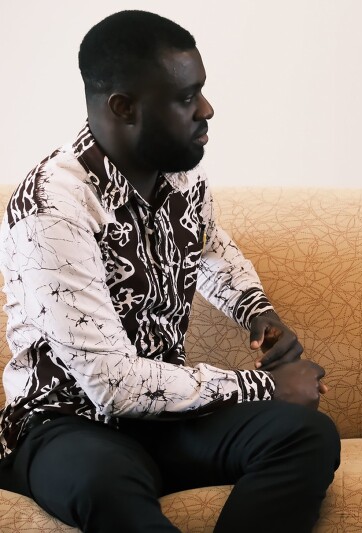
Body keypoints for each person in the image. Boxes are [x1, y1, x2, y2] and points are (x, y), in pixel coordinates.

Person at [0, 10, 339, 533]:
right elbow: (112, 386)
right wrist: (264, 388)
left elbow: (210, 249)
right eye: (186, 97)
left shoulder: (180, 172)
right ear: (124, 107)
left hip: (163, 418)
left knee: (307, 434)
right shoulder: (53, 205)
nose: (207, 109)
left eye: (200, 91)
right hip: (67, 424)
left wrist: (256, 312)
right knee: (102, 481)